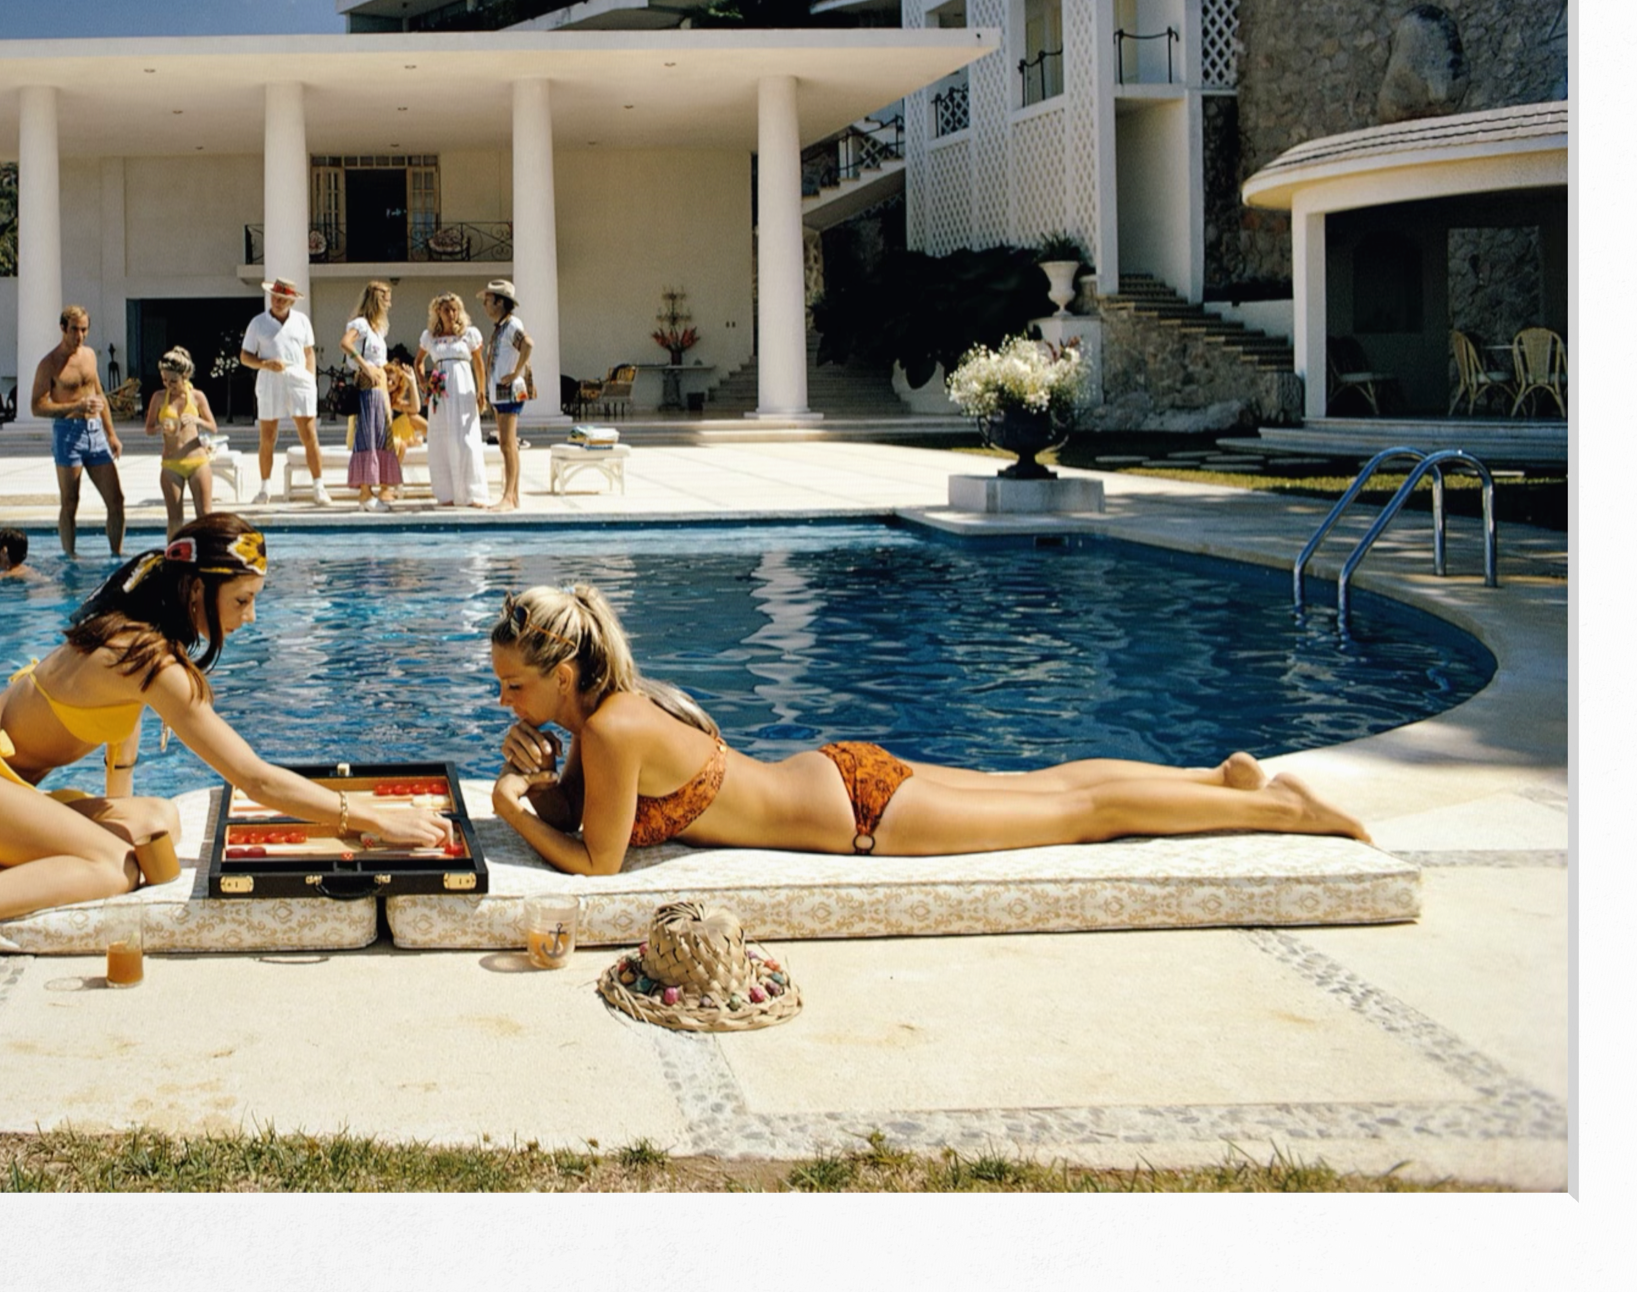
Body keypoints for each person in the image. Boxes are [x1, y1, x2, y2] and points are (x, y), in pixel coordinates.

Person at [0, 515, 456, 1005]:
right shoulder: (148, 659)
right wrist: (369, 817)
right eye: (243, 600)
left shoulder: (135, 634)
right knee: (114, 866)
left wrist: (101, 817)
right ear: (197, 589)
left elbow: (119, 746)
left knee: (158, 822)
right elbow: (253, 777)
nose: (250, 616)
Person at [479, 582, 1372, 871]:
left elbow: (596, 863)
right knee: (1046, 785)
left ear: (562, 674)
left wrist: (510, 805)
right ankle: (1211, 779)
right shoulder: (616, 711)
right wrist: (541, 777)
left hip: (867, 816)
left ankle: (1285, 809)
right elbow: (589, 814)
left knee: (1082, 815)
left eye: (514, 687)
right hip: (840, 774)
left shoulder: (611, 731)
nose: (505, 701)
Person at [29, 303, 128, 560]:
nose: (79, 335)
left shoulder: (90, 356)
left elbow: (99, 394)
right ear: (63, 328)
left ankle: (116, 555)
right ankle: (70, 556)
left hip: (95, 433)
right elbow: (37, 407)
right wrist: (76, 406)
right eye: (74, 329)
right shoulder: (50, 364)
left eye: (84, 330)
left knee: (116, 499)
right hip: (68, 434)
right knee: (70, 501)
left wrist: (111, 434)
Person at [238, 275, 327, 506]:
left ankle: (319, 486)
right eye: (275, 297)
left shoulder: (302, 321)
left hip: (298, 377)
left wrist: (310, 380)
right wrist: (265, 364)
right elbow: (245, 356)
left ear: (292, 301)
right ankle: (265, 488)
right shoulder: (258, 323)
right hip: (270, 378)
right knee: (268, 436)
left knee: (309, 435)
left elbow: (309, 352)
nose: (277, 302)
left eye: (282, 299)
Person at [338, 280, 402, 510]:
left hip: (379, 387)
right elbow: (345, 343)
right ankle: (365, 493)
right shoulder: (362, 325)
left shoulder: (378, 329)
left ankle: (372, 491)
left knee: (380, 436)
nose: (389, 304)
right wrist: (366, 367)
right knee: (368, 436)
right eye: (386, 299)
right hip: (368, 385)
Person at [418, 290, 485, 510]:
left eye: (455, 309)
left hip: (464, 387)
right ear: (438, 311)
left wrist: (481, 391)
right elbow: (419, 361)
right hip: (441, 391)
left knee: (466, 439)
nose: (451, 314)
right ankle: (445, 493)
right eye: (447, 309)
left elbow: (478, 363)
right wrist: (423, 384)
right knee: (442, 440)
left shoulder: (469, 334)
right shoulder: (430, 337)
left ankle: (472, 493)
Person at [145, 347, 223, 535]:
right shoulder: (159, 397)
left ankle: (206, 550)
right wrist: (160, 428)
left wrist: (197, 420)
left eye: (173, 381)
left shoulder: (197, 397)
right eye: (164, 380)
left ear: (185, 376)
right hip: (171, 464)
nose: (168, 385)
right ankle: (173, 551)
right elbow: (149, 429)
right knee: (175, 519)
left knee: (204, 515)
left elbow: (213, 427)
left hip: (197, 461)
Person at [480, 280, 536, 511]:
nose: (485, 305)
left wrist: (516, 372)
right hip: (500, 393)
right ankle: (513, 496)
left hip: (509, 392)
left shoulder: (512, 325)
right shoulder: (502, 327)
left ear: (499, 302)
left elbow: (528, 344)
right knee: (507, 444)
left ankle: (509, 497)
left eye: (487, 300)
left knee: (507, 444)